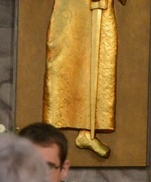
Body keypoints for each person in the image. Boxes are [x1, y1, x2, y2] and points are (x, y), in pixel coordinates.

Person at [44, 0, 127, 158]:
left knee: (102, 62)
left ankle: (88, 132)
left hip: (101, 8)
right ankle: (53, 125)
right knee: (67, 60)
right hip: (72, 9)